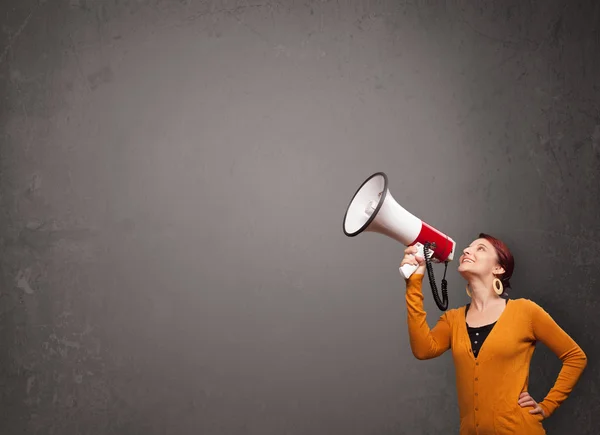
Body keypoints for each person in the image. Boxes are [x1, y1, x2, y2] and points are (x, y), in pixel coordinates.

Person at [401, 233, 587, 435]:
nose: (466, 251)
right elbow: (422, 349)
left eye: (480, 248)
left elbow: (575, 357)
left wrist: (548, 405)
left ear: (499, 268)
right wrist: (414, 281)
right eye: (468, 247)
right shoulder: (452, 320)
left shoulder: (525, 311)